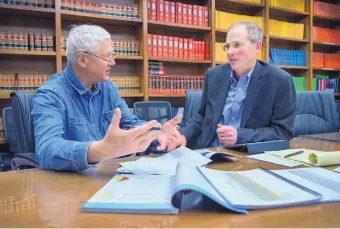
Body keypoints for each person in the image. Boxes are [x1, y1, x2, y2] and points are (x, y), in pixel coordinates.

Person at [32, 24, 183, 171]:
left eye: (113, 55)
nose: (113, 62)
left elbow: (130, 123)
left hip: (109, 175)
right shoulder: (50, 95)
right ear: (82, 59)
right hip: (71, 184)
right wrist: (98, 151)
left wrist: (156, 132)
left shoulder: (108, 87)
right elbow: (47, 150)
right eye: (107, 57)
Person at [171, 21, 297, 149]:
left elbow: (283, 132)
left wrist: (240, 136)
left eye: (237, 45)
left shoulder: (280, 81)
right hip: (207, 149)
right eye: (227, 46)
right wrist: (183, 136)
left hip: (246, 155)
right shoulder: (214, 75)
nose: (229, 52)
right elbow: (202, 116)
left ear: (258, 46)